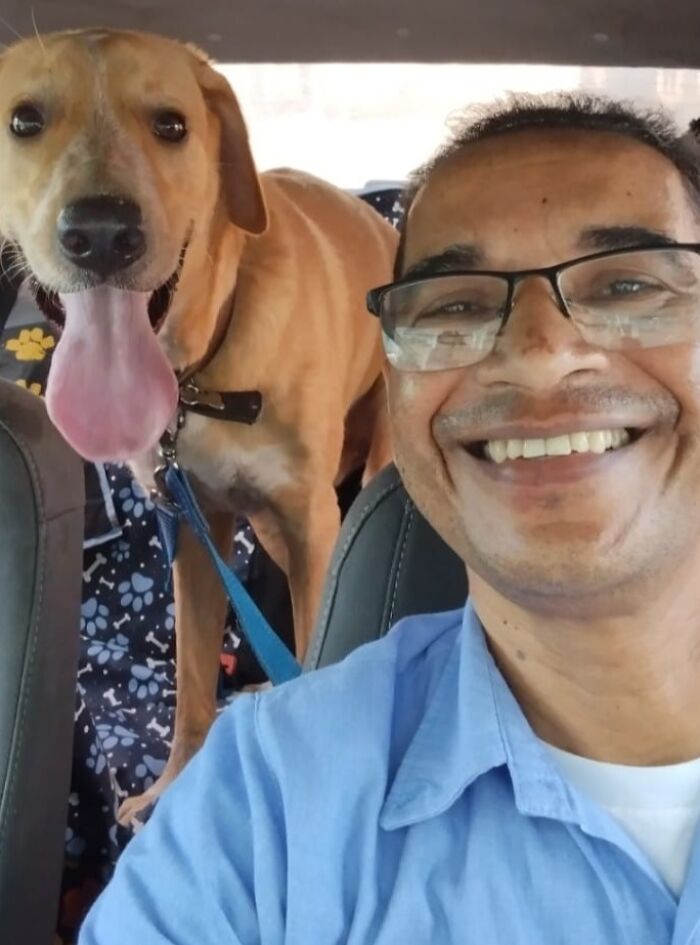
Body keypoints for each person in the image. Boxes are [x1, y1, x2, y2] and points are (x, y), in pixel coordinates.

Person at [79, 92, 700, 942]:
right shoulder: (259, 811)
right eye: (456, 303)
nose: (538, 353)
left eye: (629, 284)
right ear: (399, 385)